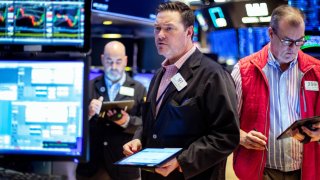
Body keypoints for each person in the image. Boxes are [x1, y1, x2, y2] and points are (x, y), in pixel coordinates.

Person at [123, 2, 239, 180]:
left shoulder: (213, 75)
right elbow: (151, 123)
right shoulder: (159, 75)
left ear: (189, 32)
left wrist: (182, 161)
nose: (160, 35)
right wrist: (139, 139)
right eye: (157, 28)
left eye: (169, 28)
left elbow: (226, 135)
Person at [231, 5, 320, 180]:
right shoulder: (244, 70)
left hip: (306, 170)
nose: (293, 49)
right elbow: (224, 122)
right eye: (287, 41)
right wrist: (240, 136)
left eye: (300, 41)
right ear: (270, 33)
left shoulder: (316, 71)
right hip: (261, 170)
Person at [76, 41, 147, 180]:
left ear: (126, 60)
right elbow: (73, 124)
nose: (114, 66)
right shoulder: (88, 86)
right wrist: (88, 114)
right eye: (109, 61)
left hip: (124, 167)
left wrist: (127, 121)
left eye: (118, 61)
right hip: (91, 168)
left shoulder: (139, 89)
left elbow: (147, 125)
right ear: (102, 59)